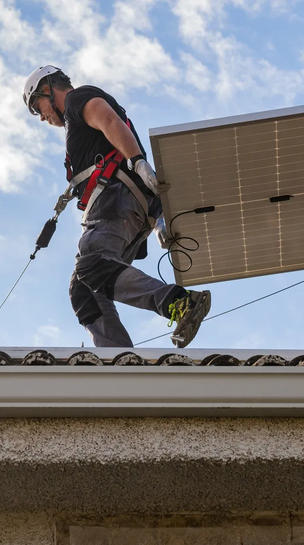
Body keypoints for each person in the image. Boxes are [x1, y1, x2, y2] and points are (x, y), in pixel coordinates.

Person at [22, 65, 210, 348]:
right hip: (129, 207)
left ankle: (179, 302)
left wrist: (137, 160)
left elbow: (108, 120)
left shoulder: (77, 99)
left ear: (48, 88)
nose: (42, 117)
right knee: (84, 290)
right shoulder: (77, 122)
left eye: (38, 107)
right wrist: (159, 222)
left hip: (115, 199)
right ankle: (120, 360)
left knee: (92, 262)